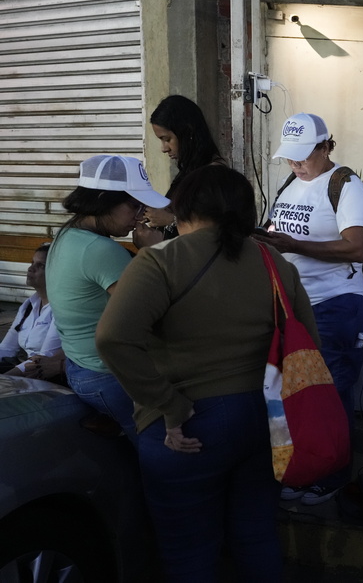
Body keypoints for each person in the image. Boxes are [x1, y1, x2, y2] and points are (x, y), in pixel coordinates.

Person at [96, 165, 316, 583]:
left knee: (188, 551)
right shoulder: (274, 263)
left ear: (184, 208)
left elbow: (112, 338)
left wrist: (169, 406)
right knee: (255, 537)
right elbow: (310, 343)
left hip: (189, 426)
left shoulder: (161, 260)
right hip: (265, 421)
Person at [260, 112, 363, 505]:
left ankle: (335, 473)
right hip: (293, 306)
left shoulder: (345, 184)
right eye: (290, 158)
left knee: (331, 393)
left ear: (326, 147)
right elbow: (277, 233)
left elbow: (356, 246)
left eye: (304, 156)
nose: (296, 165)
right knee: (297, 395)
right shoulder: (291, 182)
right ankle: (306, 468)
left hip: (335, 304)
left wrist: (295, 246)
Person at [46, 155, 170, 443]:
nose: (141, 215)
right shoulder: (99, 249)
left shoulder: (69, 235)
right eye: (134, 205)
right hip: (108, 376)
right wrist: (155, 250)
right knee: (164, 452)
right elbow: (155, 308)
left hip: (83, 367)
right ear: (103, 199)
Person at [134, 94, 225, 247]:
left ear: (187, 132)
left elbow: (215, 229)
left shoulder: (214, 174)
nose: (164, 148)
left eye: (167, 139)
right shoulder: (188, 171)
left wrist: (171, 220)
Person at [0, 242, 65, 380]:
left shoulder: (61, 309)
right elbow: (6, 348)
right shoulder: (29, 305)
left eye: (40, 266)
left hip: (44, 375)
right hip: (25, 368)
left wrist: (5, 380)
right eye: (32, 262)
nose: (31, 268)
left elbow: (43, 359)